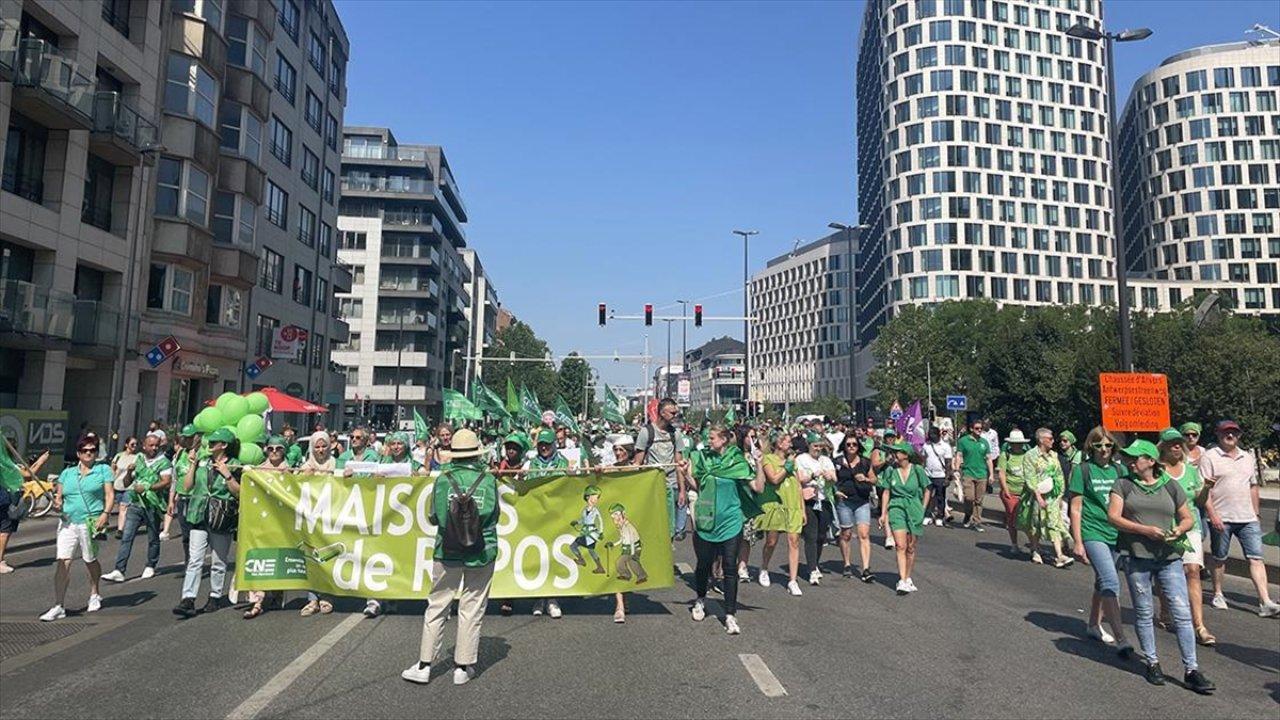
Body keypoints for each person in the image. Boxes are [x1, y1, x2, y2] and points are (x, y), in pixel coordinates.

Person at [1108, 440, 1215, 694]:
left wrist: (1179, 529)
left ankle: (1191, 669)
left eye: (1136, 458)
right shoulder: (1122, 484)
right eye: (1129, 458)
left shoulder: (1170, 485)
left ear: (1151, 460)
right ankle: (1152, 662)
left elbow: (1188, 517)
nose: (1131, 462)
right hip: (1137, 557)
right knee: (1144, 612)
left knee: (1181, 612)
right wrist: (1143, 530)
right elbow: (1113, 517)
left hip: (1168, 558)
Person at [402, 430, 500, 686]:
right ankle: (463, 667)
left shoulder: (443, 480)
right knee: (472, 606)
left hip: (447, 549)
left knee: (437, 605)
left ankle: (424, 665)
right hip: (482, 550)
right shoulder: (488, 480)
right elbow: (494, 516)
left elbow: (434, 516)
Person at [687, 425, 764, 635]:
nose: (708, 441)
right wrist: (684, 471)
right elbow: (696, 485)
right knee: (703, 565)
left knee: (730, 567)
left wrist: (759, 465)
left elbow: (758, 487)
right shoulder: (703, 459)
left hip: (731, 521)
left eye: (711, 438)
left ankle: (730, 615)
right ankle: (700, 599)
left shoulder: (737, 461)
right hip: (707, 520)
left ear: (723, 439)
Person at [1201, 420, 1279, 617]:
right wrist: (1212, 515)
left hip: (1247, 518)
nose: (1230, 436)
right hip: (1221, 518)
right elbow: (1204, 491)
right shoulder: (1209, 457)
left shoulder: (1247, 457)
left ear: (1239, 435)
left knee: (1256, 558)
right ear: (1218, 435)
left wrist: (1256, 512)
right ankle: (1218, 592)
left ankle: (1265, 601)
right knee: (1219, 558)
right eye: (1226, 433)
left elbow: (1253, 486)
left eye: (1234, 433)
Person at [1067, 426, 1133, 652]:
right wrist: (1077, 541)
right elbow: (1075, 508)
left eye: (1108, 445)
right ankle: (1122, 639)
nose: (1104, 449)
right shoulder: (1082, 471)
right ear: (1091, 446)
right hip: (1092, 531)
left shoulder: (1120, 470)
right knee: (1111, 581)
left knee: (1101, 581)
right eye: (1098, 445)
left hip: (1117, 533)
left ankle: (1094, 624)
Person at [40, 437, 114, 621]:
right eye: (85, 450)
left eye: (93, 450)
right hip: (68, 522)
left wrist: (105, 513)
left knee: (89, 559)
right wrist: (57, 503)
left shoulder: (103, 470)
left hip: (90, 521)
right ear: (79, 453)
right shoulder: (67, 473)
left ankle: (95, 592)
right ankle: (59, 605)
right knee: (63, 561)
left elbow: (109, 494)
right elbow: (59, 497)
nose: (89, 453)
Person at [1155, 428, 1215, 645]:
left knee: (1192, 572)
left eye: (1179, 442)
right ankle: (1164, 611)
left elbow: (1199, 501)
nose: (1178, 446)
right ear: (1163, 447)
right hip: (1166, 529)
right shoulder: (1157, 471)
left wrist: (1207, 489)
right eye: (1172, 443)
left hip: (1191, 527)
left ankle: (1199, 625)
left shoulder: (1190, 471)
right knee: (1166, 572)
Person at [173, 428, 241, 618]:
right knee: (195, 559)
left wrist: (227, 475)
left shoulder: (235, 465)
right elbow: (187, 487)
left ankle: (215, 595)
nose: (209, 446)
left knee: (219, 560)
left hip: (221, 516)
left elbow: (239, 492)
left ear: (224, 445)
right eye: (208, 443)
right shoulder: (203, 461)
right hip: (199, 514)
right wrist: (193, 465)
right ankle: (188, 598)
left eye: (213, 443)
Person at [103, 433, 171, 583]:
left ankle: (151, 564)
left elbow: (166, 482)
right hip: (135, 504)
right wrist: (128, 472)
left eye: (156, 446)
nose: (154, 448)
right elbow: (127, 483)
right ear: (144, 446)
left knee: (153, 537)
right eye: (151, 445)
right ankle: (119, 570)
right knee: (127, 537)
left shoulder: (164, 462)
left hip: (153, 505)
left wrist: (148, 487)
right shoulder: (139, 460)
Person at [524, 429, 569, 618]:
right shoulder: (530, 464)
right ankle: (539, 598)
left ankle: (552, 599)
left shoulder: (564, 463)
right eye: (541, 444)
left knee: (553, 556)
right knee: (538, 558)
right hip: (536, 516)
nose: (543, 447)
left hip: (556, 516)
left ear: (554, 444)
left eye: (547, 444)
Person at [244, 436, 290, 620]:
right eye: (270, 448)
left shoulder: (291, 470)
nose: (274, 452)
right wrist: (248, 474)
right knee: (260, 556)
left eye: (278, 448)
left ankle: (277, 592)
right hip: (262, 520)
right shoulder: (259, 469)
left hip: (281, 521)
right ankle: (257, 601)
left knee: (278, 556)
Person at [877, 441, 931, 595]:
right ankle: (902, 580)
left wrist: (923, 508)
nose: (894, 454)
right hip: (896, 508)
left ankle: (907, 577)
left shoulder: (918, 470)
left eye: (898, 452)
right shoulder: (891, 471)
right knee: (901, 545)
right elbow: (886, 492)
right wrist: (883, 513)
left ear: (906, 455)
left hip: (914, 508)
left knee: (911, 547)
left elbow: (927, 489)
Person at [633, 398, 689, 542]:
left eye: (676, 412)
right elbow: (637, 463)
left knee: (670, 525)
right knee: (656, 524)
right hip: (655, 485)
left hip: (672, 484)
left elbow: (679, 464)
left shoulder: (675, 434)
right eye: (672, 412)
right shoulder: (647, 432)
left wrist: (682, 490)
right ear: (662, 413)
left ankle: (670, 551)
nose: (675, 415)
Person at [756, 433, 805, 594]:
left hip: (793, 505)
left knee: (794, 541)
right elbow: (774, 479)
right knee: (771, 541)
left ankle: (792, 580)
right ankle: (764, 567)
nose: (789, 444)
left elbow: (798, 486)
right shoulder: (768, 458)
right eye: (786, 441)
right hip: (777, 504)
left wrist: (803, 509)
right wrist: (787, 467)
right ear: (778, 443)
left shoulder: (793, 461)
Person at [1018, 428, 1071, 567]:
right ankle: (1035, 550)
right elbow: (1030, 477)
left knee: (1054, 522)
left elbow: (1059, 475)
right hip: (1036, 495)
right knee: (1036, 522)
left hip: (1052, 495)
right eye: (1050, 438)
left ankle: (1059, 555)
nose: (1053, 441)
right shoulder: (1030, 455)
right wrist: (1038, 496)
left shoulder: (1054, 456)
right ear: (1041, 440)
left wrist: (1060, 495)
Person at [0, 444, 49, 574]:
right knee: (5, 530)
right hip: (6, 499)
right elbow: (28, 474)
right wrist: (42, 461)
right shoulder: (7, 465)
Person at [834, 436, 877, 583]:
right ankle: (846, 563)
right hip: (845, 501)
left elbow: (874, 479)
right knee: (846, 534)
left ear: (859, 446)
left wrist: (865, 479)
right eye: (848, 444)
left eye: (854, 444)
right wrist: (835, 491)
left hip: (862, 501)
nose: (851, 446)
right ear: (844, 446)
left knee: (864, 534)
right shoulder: (839, 462)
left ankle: (866, 568)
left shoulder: (865, 462)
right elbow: (831, 480)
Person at [795, 435, 835, 586]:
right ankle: (812, 569)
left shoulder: (826, 460)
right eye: (815, 446)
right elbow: (799, 478)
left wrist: (830, 476)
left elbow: (834, 478)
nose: (818, 449)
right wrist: (813, 475)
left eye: (820, 446)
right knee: (810, 535)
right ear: (809, 445)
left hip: (824, 500)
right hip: (809, 500)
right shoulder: (801, 459)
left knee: (820, 536)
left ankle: (815, 564)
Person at [997, 430, 1031, 552]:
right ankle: (1014, 544)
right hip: (1011, 491)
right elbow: (1002, 474)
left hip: (1026, 492)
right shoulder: (1005, 455)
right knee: (1012, 517)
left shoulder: (1027, 455)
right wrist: (1006, 491)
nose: (1018, 445)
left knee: (1028, 519)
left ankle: (1033, 545)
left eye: (1020, 443)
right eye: (1015, 443)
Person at [920, 427, 953, 527]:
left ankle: (939, 516)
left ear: (938, 434)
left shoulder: (945, 446)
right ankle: (928, 515)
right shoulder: (926, 445)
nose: (931, 436)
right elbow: (923, 459)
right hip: (928, 474)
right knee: (927, 496)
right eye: (930, 434)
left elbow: (948, 463)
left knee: (940, 497)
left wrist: (947, 477)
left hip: (940, 475)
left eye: (933, 434)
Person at [110, 436, 138, 539]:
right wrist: (111, 482)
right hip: (118, 485)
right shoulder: (118, 456)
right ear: (126, 445)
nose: (134, 446)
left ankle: (120, 529)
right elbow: (113, 469)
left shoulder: (137, 457)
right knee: (117, 506)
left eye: (136, 444)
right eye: (132, 444)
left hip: (129, 486)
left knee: (123, 506)